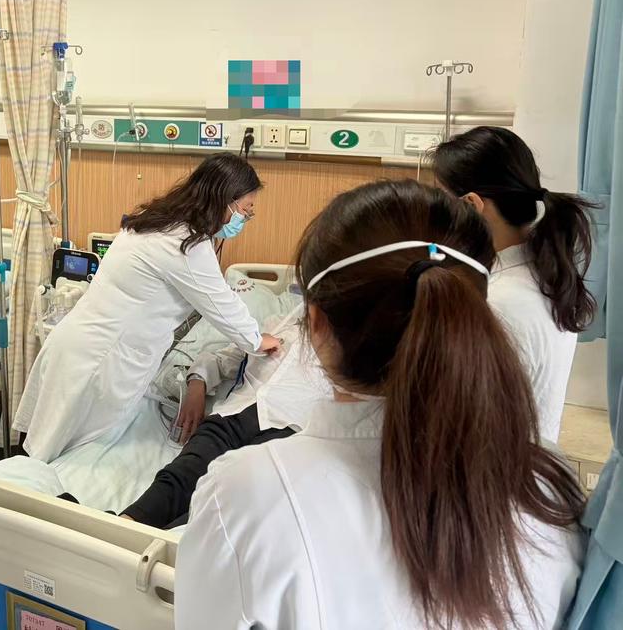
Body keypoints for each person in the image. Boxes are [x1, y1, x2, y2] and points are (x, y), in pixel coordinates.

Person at [175, 180, 586, 629]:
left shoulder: (247, 495)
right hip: (244, 414)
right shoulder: (550, 488)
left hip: (277, 426)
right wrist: (199, 376)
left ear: (315, 322)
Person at [14, 153, 281, 462]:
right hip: (101, 361)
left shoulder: (155, 220)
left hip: (78, 342)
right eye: (245, 210)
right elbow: (222, 305)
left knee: (45, 447)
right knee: (58, 455)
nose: (245, 218)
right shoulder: (187, 245)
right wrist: (258, 340)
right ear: (225, 199)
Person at [433, 126, 597, 441]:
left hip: (498, 464)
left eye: (442, 201)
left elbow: (467, 426)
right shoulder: (547, 274)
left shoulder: (497, 304)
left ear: (471, 205)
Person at [121, 306, 331, 528]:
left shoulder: (343, 350)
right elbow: (226, 357)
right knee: (181, 475)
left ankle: (166, 543)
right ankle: (121, 529)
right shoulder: (279, 323)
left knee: (222, 504)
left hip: (287, 430)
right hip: (232, 416)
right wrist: (197, 383)